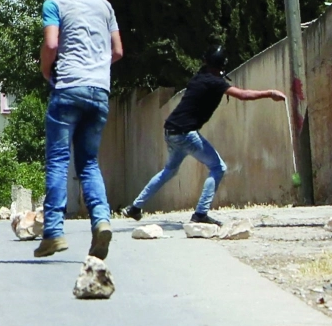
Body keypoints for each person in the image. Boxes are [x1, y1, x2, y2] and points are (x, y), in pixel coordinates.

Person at [122, 46, 286, 225]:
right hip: (185, 134)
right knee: (218, 167)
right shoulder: (215, 83)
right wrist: (269, 93)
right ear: (221, 66)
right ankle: (200, 213)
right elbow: (243, 95)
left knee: (169, 170)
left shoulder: (199, 77)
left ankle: (135, 207)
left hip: (171, 131)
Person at [35, 0, 124, 260]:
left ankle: (54, 233)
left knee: (59, 160)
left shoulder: (54, 4)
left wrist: (47, 70)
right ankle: (101, 221)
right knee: (88, 162)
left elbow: (51, 44)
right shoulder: (105, 5)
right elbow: (118, 50)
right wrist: (97, 67)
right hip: (99, 89)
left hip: (68, 87)